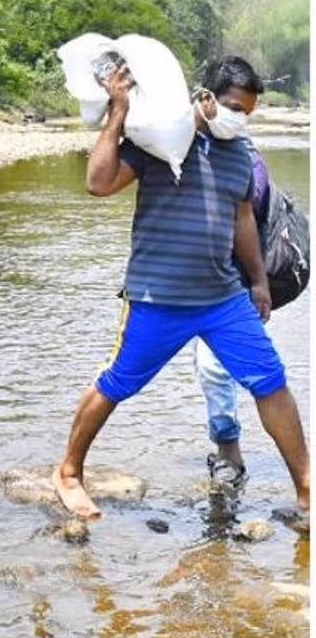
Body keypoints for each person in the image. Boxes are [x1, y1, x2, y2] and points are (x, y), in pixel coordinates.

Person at [51, 56, 310, 520]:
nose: (239, 118)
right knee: (115, 383)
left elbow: (243, 217)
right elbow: (98, 183)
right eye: (233, 106)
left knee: (271, 382)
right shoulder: (157, 139)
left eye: (247, 111)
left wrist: (257, 282)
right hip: (157, 298)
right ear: (204, 98)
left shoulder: (240, 151)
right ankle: (68, 472)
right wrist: (117, 113)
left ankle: (306, 487)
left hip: (222, 298)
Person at [192, 136, 273, 499]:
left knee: (216, 367)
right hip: (197, 285)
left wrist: (258, 284)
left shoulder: (245, 163)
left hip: (233, 286)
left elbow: (240, 222)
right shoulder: (186, 151)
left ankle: (229, 456)